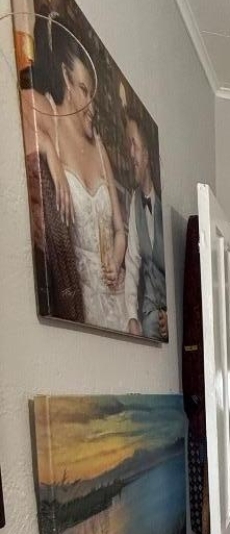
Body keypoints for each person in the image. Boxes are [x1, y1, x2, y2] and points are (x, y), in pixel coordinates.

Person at [21, 25, 128, 332]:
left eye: (91, 93)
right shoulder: (48, 115)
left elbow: (120, 230)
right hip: (78, 299)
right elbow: (15, 104)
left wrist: (117, 260)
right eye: (83, 89)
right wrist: (49, 153)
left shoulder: (99, 147)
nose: (89, 104)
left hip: (114, 295)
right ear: (67, 78)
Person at [124, 110, 167, 340]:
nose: (131, 154)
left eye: (134, 144)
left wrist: (170, 316)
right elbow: (132, 263)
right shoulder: (134, 202)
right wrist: (131, 316)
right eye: (127, 146)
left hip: (166, 323)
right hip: (148, 317)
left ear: (148, 155)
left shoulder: (164, 208)